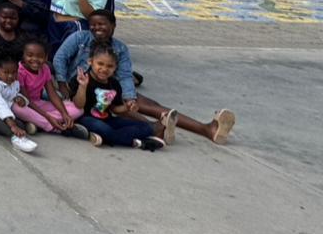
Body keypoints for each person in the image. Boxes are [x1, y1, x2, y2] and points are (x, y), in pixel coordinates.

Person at [55, 9, 236, 144]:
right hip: (82, 86)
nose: (97, 28)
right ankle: (156, 128)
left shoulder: (120, 48)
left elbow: (125, 75)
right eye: (93, 25)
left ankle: (206, 129)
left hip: (109, 87)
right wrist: (62, 83)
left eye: (102, 24)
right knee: (129, 110)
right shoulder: (80, 38)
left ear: (113, 26)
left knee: (146, 104)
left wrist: (129, 97)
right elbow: (59, 59)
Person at [73, 44, 167, 150]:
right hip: (85, 118)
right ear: (90, 61)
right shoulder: (82, 79)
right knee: (105, 130)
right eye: (100, 64)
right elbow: (78, 105)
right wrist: (83, 87)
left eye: (109, 66)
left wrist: (127, 107)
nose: (104, 69)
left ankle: (105, 137)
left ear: (115, 67)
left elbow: (115, 109)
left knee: (143, 126)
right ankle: (138, 142)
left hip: (107, 119)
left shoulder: (114, 84)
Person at [12, 38, 85, 138]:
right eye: (30, 55)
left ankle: (38, 123)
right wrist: (48, 117)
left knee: (78, 109)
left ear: (46, 57)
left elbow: (52, 94)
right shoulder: (20, 71)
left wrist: (64, 114)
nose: (35, 59)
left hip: (39, 103)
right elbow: (27, 100)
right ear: (23, 56)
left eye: (40, 56)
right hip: (25, 104)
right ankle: (53, 127)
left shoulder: (45, 68)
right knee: (17, 109)